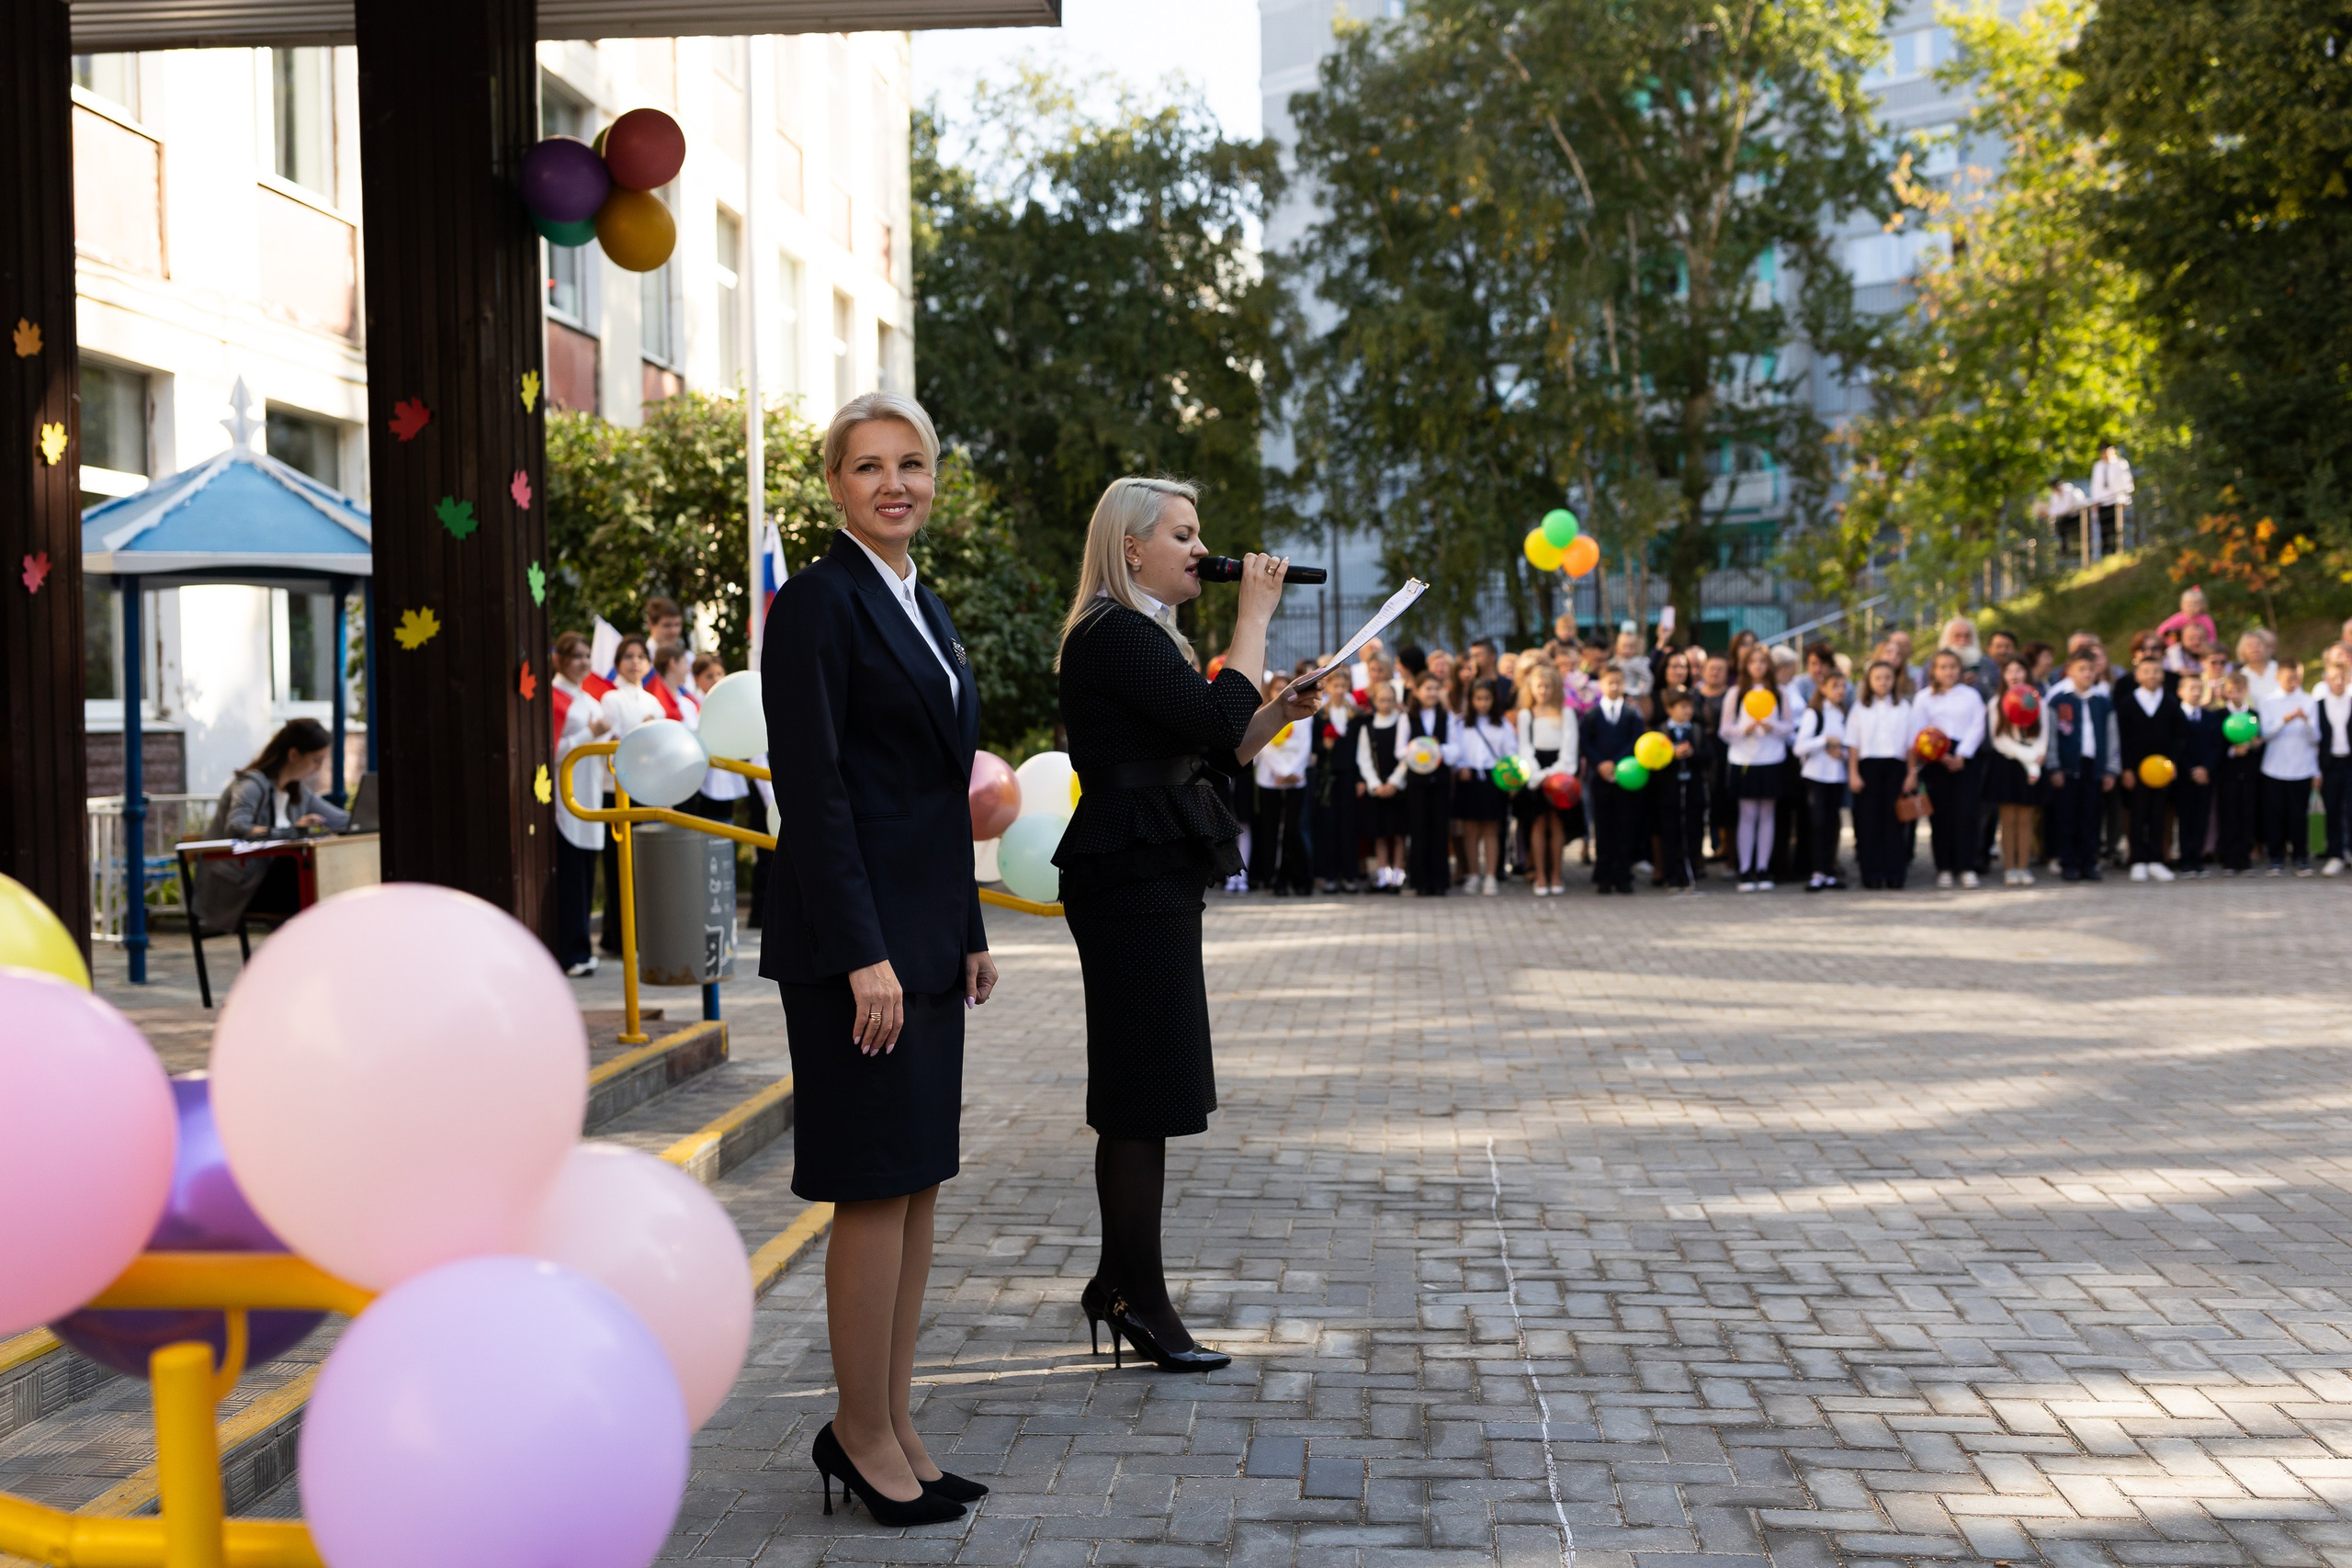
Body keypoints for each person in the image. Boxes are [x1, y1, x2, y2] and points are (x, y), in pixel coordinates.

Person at [761, 393, 996, 1527]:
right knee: (867, 1186)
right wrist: (865, 956)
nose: (893, 483)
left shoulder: (921, 601)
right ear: (835, 484)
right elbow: (816, 794)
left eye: (911, 464)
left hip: (922, 939)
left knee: (916, 1182)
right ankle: (857, 1433)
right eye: (868, 467)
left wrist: (967, 931)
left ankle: (892, 1420)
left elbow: (937, 791)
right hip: (852, 947)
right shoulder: (816, 603)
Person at [1052, 473, 1312, 1375]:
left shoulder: (1142, 635)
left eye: (1201, 534)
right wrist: (1255, 619)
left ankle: (1119, 1283)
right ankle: (1138, 1298)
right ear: (1131, 547)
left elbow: (1215, 743)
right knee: (1140, 1093)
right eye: (1183, 534)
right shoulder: (1113, 631)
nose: (1203, 550)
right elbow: (1210, 711)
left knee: (1147, 1089)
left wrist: (1275, 710)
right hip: (1128, 876)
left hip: (1147, 869)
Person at [190, 717, 351, 936]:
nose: (319, 768)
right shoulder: (251, 784)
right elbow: (238, 828)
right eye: (316, 759)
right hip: (238, 888)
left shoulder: (298, 793)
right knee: (308, 879)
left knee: (326, 878)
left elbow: (344, 821)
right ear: (293, 754)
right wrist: (292, 832)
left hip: (270, 886)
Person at [596, 637, 666, 956]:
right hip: (617, 788)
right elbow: (611, 743)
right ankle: (618, 935)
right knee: (617, 863)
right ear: (617, 662)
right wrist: (642, 731)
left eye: (640, 656)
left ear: (649, 663)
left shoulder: (653, 701)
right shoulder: (611, 698)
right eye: (628, 656)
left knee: (642, 865)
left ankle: (633, 933)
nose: (635, 662)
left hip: (646, 788)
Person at [551, 632, 612, 976]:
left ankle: (581, 947)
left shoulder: (586, 697)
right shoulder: (556, 697)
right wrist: (591, 733)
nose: (585, 662)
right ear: (559, 659)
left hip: (591, 792)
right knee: (572, 875)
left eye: (587, 655)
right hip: (567, 795)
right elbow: (553, 751)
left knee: (586, 872)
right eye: (577, 656)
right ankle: (570, 952)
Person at [1911, 649, 1989, 890]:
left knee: (1966, 814)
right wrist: (1942, 756)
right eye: (1943, 667)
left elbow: (1978, 725)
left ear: (1960, 669)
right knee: (1941, 815)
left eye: (1953, 666)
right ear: (1934, 671)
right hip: (1936, 759)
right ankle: (1944, 867)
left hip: (1965, 758)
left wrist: (1962, 754)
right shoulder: (1924, 697)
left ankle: (1966, 866)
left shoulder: (1971, 695)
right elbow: (1918, 728)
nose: (1948, 671)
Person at [1719, 644, 1792, 892]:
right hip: (1744, 759)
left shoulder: (1780, 692)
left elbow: (1788, 727)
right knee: (1747, 814)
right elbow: (1725, 729)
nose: (1758, 666)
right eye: (1753, 662)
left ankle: (1763, 867)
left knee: (1767, 814)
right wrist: (1743, 730)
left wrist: (1772, 726)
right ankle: (1745, 868)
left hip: (1771, 758)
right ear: (1746, 666)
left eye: (1763, 661)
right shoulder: (1736, 693)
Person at [2044, 649, 2120, 881]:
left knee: (2091, 816)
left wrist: (2111, 768)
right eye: (2081, 669)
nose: (2087, 674)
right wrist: (2054, 766)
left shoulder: (2103, 702)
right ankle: (2069, 862)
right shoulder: (2060, 700)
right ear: (2070, 671)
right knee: (2067, 817)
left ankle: (2090, 861)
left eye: (2091, 669)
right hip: (2067, 767)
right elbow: (2052, 736)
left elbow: (2111, 736)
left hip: (2093, 767)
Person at [1845, 661, 1915, 890]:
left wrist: (1911, 773)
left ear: (1894, 680)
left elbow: (1909, 744)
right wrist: (1853, 773)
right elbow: (1853, 745)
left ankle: (1895, 873)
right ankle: (1871, 873)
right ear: (1869, 681)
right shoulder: (1859, 708)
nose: (1883, 682)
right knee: (1869, 822)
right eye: (1878, 678)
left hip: (1896, 768)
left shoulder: (1903, 707)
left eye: (1887, 677)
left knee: (1894, 822)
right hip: (1868, 768)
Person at [2114, 651, 2181, 882]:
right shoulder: (2128, 703)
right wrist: (2127, 769)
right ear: (2137, 676)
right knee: (2137, 815)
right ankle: (2138, 860)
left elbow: (2179, 737)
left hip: (2162, 771)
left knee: (2159, 814)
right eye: (2146, 672)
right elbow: (2122, 738)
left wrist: (2173, 763)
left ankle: (2156, 860)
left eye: (2156, 671)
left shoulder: (2171, 702)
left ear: (2163, 675)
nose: (2151, 675)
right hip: (2136, 771)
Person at [1512, 662, 1577, 896]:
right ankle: (1540, 875)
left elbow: (1569, 748)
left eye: (1548, 686)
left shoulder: (1565, 712)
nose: (1543, 691)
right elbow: (1525, 748)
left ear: (1556, 688)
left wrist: (1556, 774)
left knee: (1557, 823)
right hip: (1535, 772)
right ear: (1531, 688)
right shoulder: (1526, 714)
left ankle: (1556, 875)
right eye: (1539, 686)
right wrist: (1538, 775)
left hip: (1560, 775)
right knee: (1538, 823)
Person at [1581, 665, 1647, 896]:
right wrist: (1600, 764)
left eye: (1619, 682)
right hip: (1599, 778)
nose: (1614, 687)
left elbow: (1635, 741)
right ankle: (1604, 876)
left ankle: (1623, 876)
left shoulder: (1631, 714)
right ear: (1601, 685)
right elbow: (1586, 743)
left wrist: (1616, 763)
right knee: (1603, 827)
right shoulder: (1592, 715)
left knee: (1625, 826)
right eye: (1610, 682)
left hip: (1625, 778)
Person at [1984, 659, 2047, 886]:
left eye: (2019, 670)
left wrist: (2036, 758)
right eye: (2008, 670)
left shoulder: (2038, 700)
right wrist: (2029, 758)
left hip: (2032, 766)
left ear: (2027, 673)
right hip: (2007, 765)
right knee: (2008, 819)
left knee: (2026, 819)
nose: (2014, 674)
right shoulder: (1996, 703)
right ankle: (2009, 868)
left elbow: (2043, 736)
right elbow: (2000, 740)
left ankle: (2024, 867)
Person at [1249, 674, 1313, 896]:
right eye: (1277, 688)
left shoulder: (1303, 714)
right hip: (1270, 779)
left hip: (1296, 780)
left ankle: (1297, 877)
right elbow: (1263, 745)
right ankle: (1274, 878)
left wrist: (1293, 772)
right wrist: (1282, 772)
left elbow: (1305, 745)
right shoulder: (1263, 714)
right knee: (1271, 830)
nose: (1281, 693)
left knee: (1293, 831)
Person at [1451, 678, 1516, 895]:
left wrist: (1510, 779)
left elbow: (1510, 753)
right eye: (1478, 698)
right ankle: (1472, 874)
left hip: (1493, 778)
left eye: (1487, 698)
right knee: (1470, 830)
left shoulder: (1503, 724)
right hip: (1468, 778)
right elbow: (1456, 749)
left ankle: (1490, 876)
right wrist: (1461, 767)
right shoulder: (1461, 723)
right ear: (1471, 700)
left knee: (1491, 829)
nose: (1482, 703)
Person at [2257, 657, 2318, 874]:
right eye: (2289, 678)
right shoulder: (2268, 701)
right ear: (2278, 677)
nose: (2293, 682)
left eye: (2297, 678)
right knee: (2274, 815)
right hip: (2274, 767)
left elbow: (2315, 738)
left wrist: (2305, 721)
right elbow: (2265, 733)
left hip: (2301, 768)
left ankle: (2300, 857)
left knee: (2298, 815)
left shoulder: (2309, 701)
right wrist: (2285, 719)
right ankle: (2276, 858)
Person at [1792, 671, 1849, 891]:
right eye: (1835, 686)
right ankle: (1816, 871)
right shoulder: (1814, 714)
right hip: (1816, 775)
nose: (1840, 691)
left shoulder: (1843, 713)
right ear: (1823, 688)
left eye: (1843, 687)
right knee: (1817, 823)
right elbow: (1799, 747)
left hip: (1836, 776)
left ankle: (1828, 870)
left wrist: (1842, 754)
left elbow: (1849, 747)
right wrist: (1824, 741)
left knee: (1832, 824)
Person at [1402, 670, 1457, 896]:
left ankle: (1439, 882)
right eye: (1428, 689)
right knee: (1419, 829)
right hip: (1416, 783)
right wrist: (1419, 749)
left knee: (1439, 830)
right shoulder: (1408, 717)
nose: (1432, 693)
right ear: (1416, 692)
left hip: (1440, 782)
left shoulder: (1447, 717)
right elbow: (1400, 750)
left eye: (1436, 689)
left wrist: (1437, 748)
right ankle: (1420, 882)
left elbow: (1455, 750)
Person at [1355, 676, 1410, 892]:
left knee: (1398, 833)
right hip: (1377, 788)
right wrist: (1375, 784)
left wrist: (1395, 782)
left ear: (1396, 700)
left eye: (1390, 700)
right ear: (1374, 701)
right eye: (1382, 700)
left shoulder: (1402, 723)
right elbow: (1364, 758)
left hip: (1398, 786)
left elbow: (1407, 756)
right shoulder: (1367, 727)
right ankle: (1383, 874)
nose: (1386, 704)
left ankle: (1398, 873)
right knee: (1379, 834)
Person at [1308, 671, 1361, 893]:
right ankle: (1329, 875)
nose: (1339, 689)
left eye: (1343, 685)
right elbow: (1314, 746)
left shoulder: (1354, 716)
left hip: (1348, 774)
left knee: (1348, 825)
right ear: (1328, 687)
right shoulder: (1320, 715)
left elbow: (1360, 749)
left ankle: (1349, 875)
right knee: (1328, 825)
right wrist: (1324, 746)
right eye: (1335, 685)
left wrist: (1359, 778)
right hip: (1327, 776)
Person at [1655, 688, 1708, 887]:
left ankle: (1690, 872)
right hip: (1668, 794)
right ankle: (1671, 874)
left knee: (1693, 832)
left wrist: (1692, 753)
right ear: (1669, 709)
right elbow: (1652, 763)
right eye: (1683, 707)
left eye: (1690, 707)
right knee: (1670, 833)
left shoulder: (1696, 731)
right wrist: (1671, 755)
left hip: (1693, 792)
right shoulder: (1660, 733)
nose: (1688, 711)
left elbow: (1708, 758)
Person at [2173, 671, 2221, 877]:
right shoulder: (2175, 716)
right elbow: (2176, 747)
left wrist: (2206, 769)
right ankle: (2185, 859)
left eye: (2199, 689)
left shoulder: (2210, 717)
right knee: (2186, 818)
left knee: (2202, 817)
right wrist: (2190, 769)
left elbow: (2216, 746)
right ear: (2180, 692)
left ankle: (2197, 859)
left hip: (2205, 776)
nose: (2196, 693)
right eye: (2191, 689)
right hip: (2184, 776)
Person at [2216, 671, 2264, 874]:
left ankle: (2244, 859)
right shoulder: (2219, 716)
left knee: (2247, 815)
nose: (2235, 694)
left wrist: (2255, 745)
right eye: (2231, 691)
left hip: (2250, 774)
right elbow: (2215, 745)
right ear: (2225, 693)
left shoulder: (2253, 716)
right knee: (2228, 815)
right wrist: (2231, 751)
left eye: (2239, 691)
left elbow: (2259, 742)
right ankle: (2229, 859)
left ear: (2246, 691)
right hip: (2227, 774)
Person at [2314, 645, 2352, 875]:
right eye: (2334, 677)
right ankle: (2335, 853)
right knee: (2333, 809)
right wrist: (2316, 771)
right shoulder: (2317, 706)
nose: (2338, 681)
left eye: (2342, 677)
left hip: (2350, 763)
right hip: (2330, 766)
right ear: (2326, 679)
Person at [2088, 441, 2132, 558]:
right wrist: (2095, 501)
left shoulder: (2120, 463)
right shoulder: (2097, 466)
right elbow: (2095, 485)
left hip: (2116, 500)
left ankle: (2116, 551)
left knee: (2116, 527)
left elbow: (2127, 482)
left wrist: (2125, 499)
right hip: (2102, 501)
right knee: (2104, 528)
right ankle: (2106, 553)